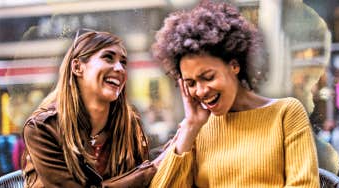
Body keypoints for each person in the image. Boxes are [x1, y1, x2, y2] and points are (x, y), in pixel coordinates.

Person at [149, 1, 320, 187]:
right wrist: (190, 127)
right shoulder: (196, 129)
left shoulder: (286, 113)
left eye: (208, 77)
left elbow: (304, 184)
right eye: (190, 83)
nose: (200, 91)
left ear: (234, 66)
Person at [22, 30, 156, 187]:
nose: (120, 68)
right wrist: (147, 173)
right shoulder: (43, 128)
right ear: (78, 67)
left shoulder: (129, 124)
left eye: (123, 62)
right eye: (108, 57)